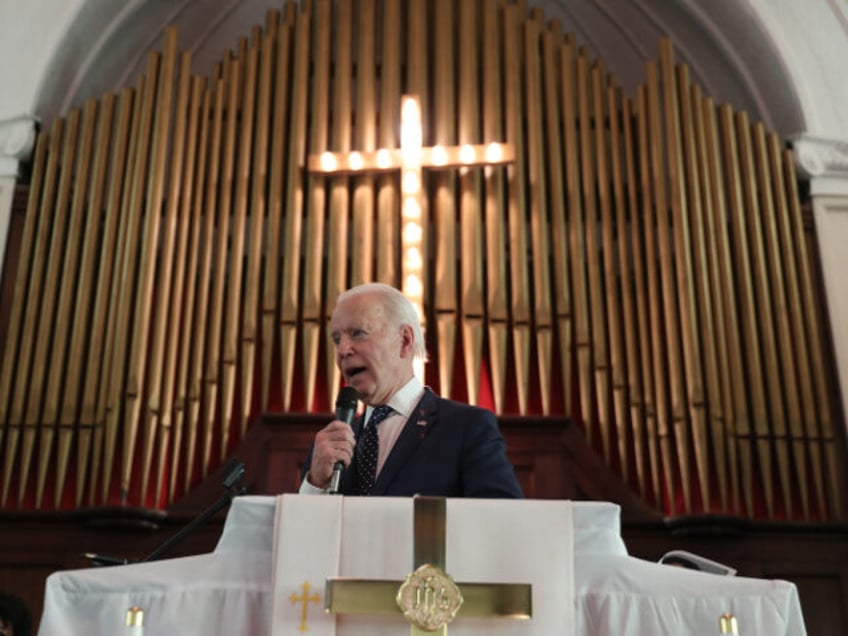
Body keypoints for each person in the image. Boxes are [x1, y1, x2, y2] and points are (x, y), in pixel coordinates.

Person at [300, 282, 523, 498]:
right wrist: (316, 484)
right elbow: (303, 532)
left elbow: (500, 523)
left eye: (358, 333)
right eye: (337, 339)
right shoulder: (329, 445)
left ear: (405, 340)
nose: (343, 350)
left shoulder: (467, 428)